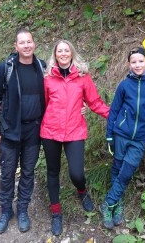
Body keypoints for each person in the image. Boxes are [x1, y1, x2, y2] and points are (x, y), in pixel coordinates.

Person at [40, 39, 109, 236]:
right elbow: (43, 105)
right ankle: (56, 212)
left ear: (72, 53)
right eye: (59, 51)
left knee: (77, 173)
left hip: (74, 131)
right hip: (50, 132)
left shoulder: (82, 77)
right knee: (52, 172)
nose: (63, 53)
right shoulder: (47, 78)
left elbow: (95, 102)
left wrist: (113, 116)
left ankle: (81, 191)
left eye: (66, 50)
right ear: (55, 54)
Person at [0, 27, 46, 234]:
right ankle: (5, 211)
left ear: (34, 43)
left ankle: (22, 210)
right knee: (7, 172)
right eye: (22, 42)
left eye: (29, 41)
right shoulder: (6, 68)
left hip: (33, 130)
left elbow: (60, 92)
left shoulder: (42, 67)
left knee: (28, 172)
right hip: (10, 130)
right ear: (16, 46)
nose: (26, 45)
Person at [100, 46, 145, 229]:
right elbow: (114, 111)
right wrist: (109, 134)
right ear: (128, 64)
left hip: (141, 138)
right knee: (118, 167)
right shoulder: (124, 85)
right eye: (133, 62)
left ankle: (108, 202)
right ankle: (117, 205)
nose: (137, 65)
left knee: (127, 171)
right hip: (121, 134)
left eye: (141, 61)